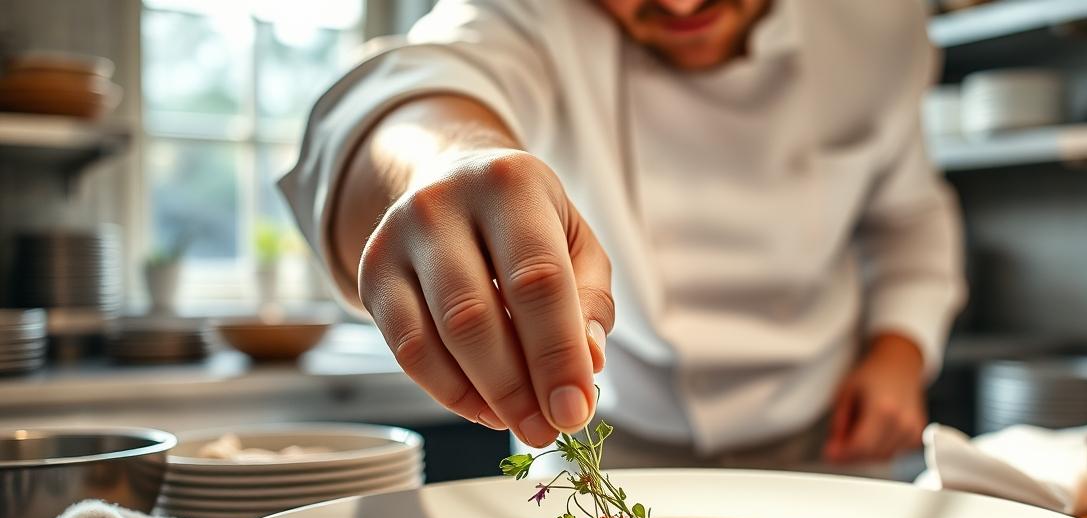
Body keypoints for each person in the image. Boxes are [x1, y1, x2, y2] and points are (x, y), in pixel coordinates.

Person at [281, 0, 964, 475]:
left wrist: (900, 351)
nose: (680, 2)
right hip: (607, 441)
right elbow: (409, 94)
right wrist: (445, 165)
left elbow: (909, 217)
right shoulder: (534, 15)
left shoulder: (882, 22)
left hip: (830, 442)